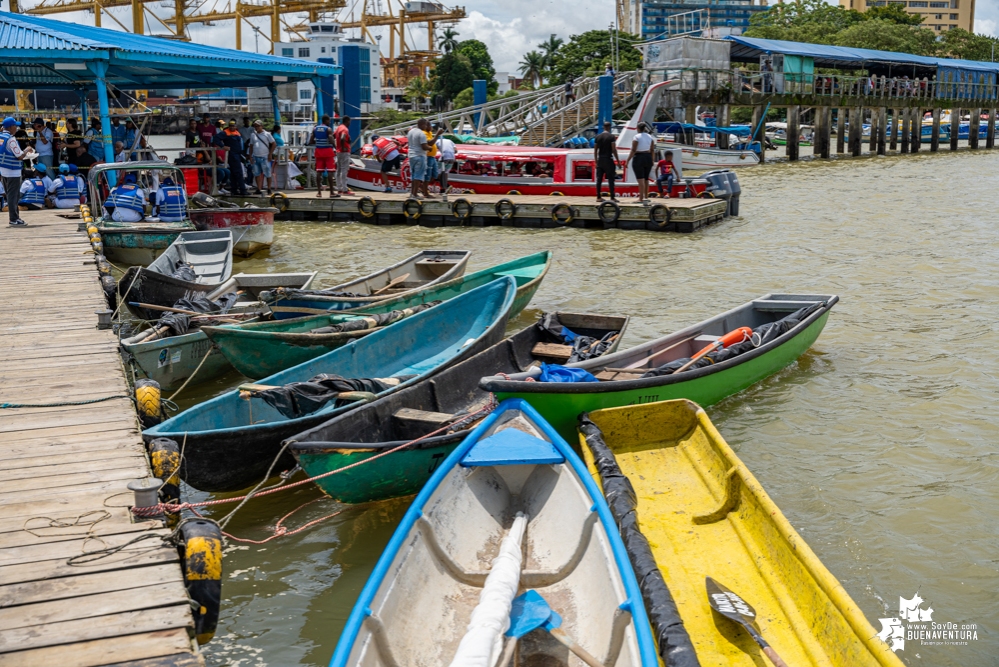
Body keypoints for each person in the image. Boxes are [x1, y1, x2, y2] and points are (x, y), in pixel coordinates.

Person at [0, 117, 31, 226]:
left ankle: (14, 217)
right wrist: (27, 150)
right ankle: (14, 219)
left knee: (9, 196)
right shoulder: (11, 139)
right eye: (15, 126)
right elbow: (19, 156)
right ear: (11, 127)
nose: (17, 128)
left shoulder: (1, 137)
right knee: (14, 196)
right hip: (13, 171)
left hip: (3, 170)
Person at [407, 118, 443, 198]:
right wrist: (430, 148)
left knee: (414, 176)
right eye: (426, 125)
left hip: (411, 155)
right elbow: (424, 146)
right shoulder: (422, 134)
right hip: (420, 156)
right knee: (418, 176)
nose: (426, 126)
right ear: (423, 125)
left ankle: (412, 193)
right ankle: (415, 194)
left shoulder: (411, 131)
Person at [624, 122, 655, 202]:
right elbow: (652, 149)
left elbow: (633, 150)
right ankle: (646, 197)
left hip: (639, 157)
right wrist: (652, 159)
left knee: (640, 179)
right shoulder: (650, 136)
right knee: (646, 178)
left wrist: (627, 160)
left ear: (638, 128)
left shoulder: (636, 137)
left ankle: (641, 198)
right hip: (648, 157)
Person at [245, 119, 276, 195]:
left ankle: (269, 188)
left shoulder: (267, 134)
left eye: (258, 126)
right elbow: (251, 146)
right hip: (255, 156)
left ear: (262, 126)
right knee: (256, 173)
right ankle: (258, 188)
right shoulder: (253, 135)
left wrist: (270, 154)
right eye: (255, 126)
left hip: (265, 156)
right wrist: (250, 156)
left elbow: (274, 144)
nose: (256, 128)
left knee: (268, 173)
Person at [309, 114, 336, 197]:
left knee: (319, 172)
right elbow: (331, 139)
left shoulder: (315, 129)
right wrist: (335, 146)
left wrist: (318, 142)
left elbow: (311, 141)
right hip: (328, 152)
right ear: (326, 120)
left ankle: (319, 192)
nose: (330, 122)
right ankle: (331, 192)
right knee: (330, 171)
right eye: (329, 120)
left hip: (319, 152)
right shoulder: (328, 129)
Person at [219, 120, 248, 196]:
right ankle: (242, 190)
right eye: (231, 126)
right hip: (232, 155)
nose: (232, 127)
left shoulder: (237, 133)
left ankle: (234, 190)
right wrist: (223, 146)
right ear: (229, 126)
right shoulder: (225, 132)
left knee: (234, 174)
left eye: (233, 125)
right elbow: (216, 139)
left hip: (238, 154)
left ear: (236, 126)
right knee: (239, 173)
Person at [593, 120, 619, 202]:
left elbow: (595, 150)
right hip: (608, 159)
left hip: (600, 159)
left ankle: (598, 197)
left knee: (599, 179)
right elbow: (613, 149)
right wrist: (618, 160)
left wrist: (596, 161)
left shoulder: (598, 137)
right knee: (611, 179)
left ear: (604, 127)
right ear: (609, 127)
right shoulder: (611, 137)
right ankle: (612, 197)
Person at [333, 116, 354, 196]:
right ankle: (345, 190)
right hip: (344, 152)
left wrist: (336, 146)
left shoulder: (338, 128)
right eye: (349, 122)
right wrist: (343, 147)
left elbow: (333, 136)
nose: (349, 124)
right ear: (347, 121)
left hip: (338, 152)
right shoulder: (345, 129)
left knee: (338, 170)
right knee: (344, 170)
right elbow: (342, 138)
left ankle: (339, 189)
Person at [270, 125, 284, 191]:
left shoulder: (277, 135)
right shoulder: (275, 136)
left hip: (279, 152)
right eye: (280, 129)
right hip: (276, 152)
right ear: (278, 130)